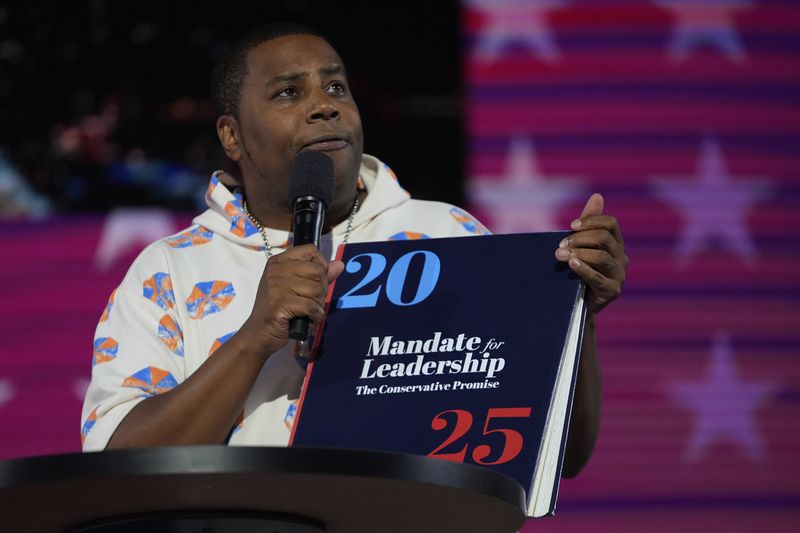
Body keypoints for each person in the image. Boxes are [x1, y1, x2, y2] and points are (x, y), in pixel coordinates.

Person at [81, 23, 627, 478]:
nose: (324, 106)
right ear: (232, 135)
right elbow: (117, 473)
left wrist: (578, 316)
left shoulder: (450, 232)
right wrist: (253, 339)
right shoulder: (170, 269)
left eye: (336, 87)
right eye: (289, 93)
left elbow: (557, 457)